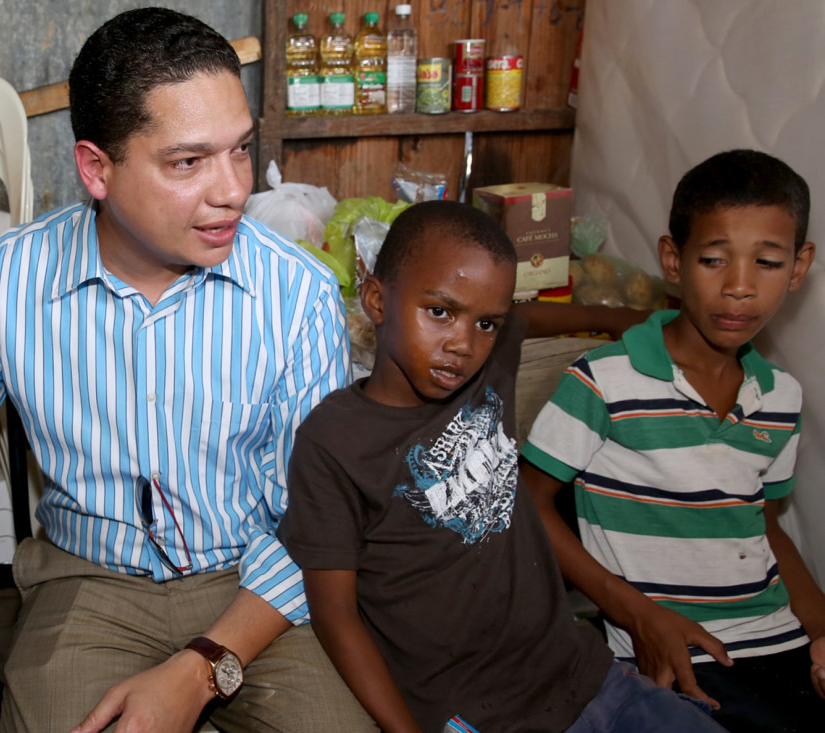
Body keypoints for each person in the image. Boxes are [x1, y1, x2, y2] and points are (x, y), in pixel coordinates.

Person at [0, 7, 374, 732]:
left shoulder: (296, 292)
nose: (232, 190)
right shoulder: (9, 280)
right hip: (88, 580)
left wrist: (202, 667)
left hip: (258, 584)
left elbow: (316, 515)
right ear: (97, 168)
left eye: (240, 150)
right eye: (188, 162)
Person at [278, 200, 725, 732]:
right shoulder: (334, 442)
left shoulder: (488, 367)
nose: (463, 344)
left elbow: (528, 318)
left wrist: (621, 320)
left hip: (587, 677)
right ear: (376, 299)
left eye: (486, 322)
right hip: (480, 718)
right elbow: (335, 613)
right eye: (439, 312)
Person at [519, 149, 825, 732]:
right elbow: (527, 503)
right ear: (673, 261)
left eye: (767, 262)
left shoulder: (781, 395)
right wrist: (637, 614)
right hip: (671, 651)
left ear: (798, 267)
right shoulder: (604, 380)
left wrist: (821, 628)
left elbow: (762, 522)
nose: (739, 287)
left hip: (779, 643)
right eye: (713, 260)